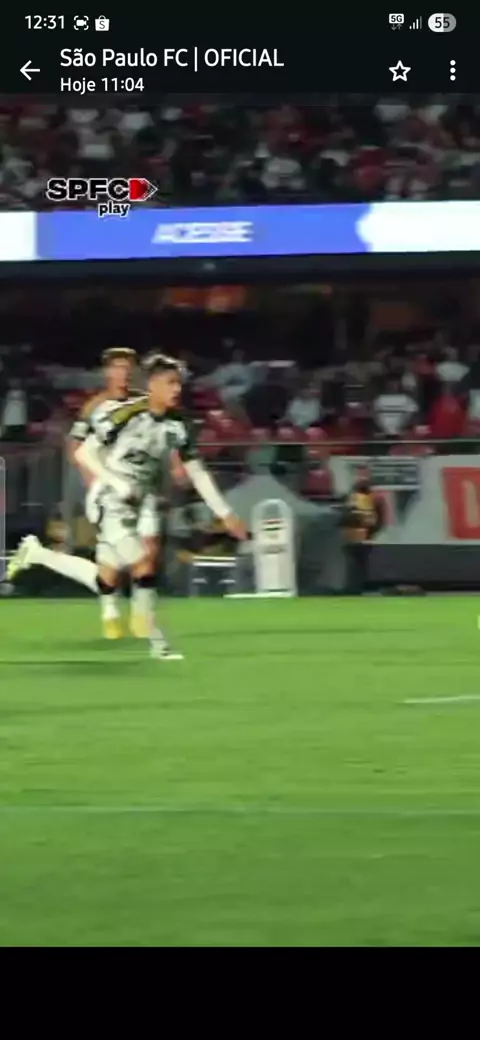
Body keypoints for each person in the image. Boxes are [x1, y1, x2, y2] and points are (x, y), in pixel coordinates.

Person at [8, 353, 247, 658]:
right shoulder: (123, 415)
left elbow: (197, 472)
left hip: (142, 499)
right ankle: (157, 641)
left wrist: (225, 513)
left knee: (106, 579)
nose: (177, 389)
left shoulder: (179, 424)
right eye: (170, 383)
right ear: (152, 385)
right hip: (110, 498)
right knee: (142, 562)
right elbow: (83, 454)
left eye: (179, 383)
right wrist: (116, 483)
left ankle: (37, 553)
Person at [341, 467, 384, 594]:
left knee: (362, 562)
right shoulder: (351, 497)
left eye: (364, 475)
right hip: (351, 536)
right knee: (350, 563)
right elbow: (345, 514)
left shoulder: (375, 498)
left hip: (365, 536)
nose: (362, 478)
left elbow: (380, 518)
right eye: (360, 475)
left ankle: (359, 587)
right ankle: (352, 587)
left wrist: (372, 532)